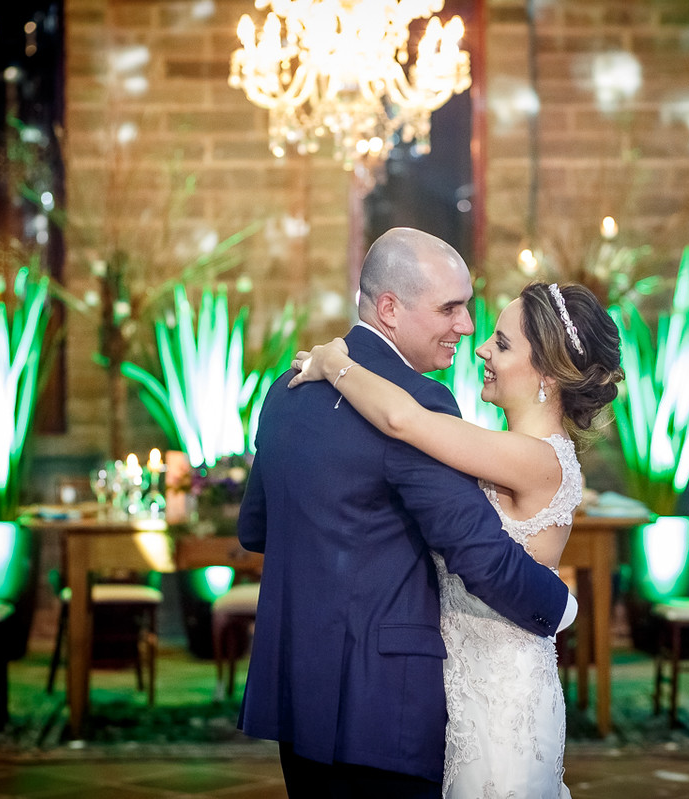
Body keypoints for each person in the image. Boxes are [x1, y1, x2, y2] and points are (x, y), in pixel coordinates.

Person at [237, 227, 577, 798]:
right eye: (451, 308)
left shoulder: (285, 389)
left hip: (297, 692)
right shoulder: (421, 402)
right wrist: (559, 608)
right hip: (384, 702)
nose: (466, 327)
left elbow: (255, 528)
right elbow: (480, 556)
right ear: (390, 309)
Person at [290, 279, 624, 798]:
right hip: (461, 685)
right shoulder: (508, 448)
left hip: (502, 698)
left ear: (550, 375)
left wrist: (337, 363)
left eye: (503, 344)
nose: (482, 348)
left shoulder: (538, 459)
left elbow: (403, 420)